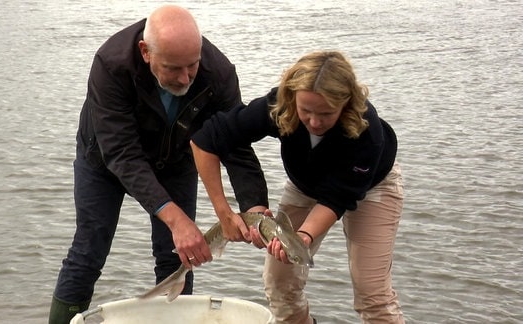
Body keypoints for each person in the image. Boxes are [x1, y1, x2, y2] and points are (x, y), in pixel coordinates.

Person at [48, 5, 268, 323]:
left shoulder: (218, 73)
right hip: (105, 161)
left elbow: (234, 144)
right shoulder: (111, 64)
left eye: (192, 66)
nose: (185, 78)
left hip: (176, 161)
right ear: (145, 52)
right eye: (173, 68)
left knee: (178, 255)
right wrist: (176, 220)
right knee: (89, 250)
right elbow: (122, 154)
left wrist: (255, 207)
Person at [191, 51, 405, 323]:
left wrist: (302, 236)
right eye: (306, 111)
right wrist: (225, 214)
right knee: (279, 283)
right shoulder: (278, 105)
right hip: (306, 184)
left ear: (347, 103)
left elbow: (336, 199)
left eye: (326, 113)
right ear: (292, 98)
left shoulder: (368, 131)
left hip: (374, 186)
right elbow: (205, 140)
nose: (314, 123)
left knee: (371, 293)